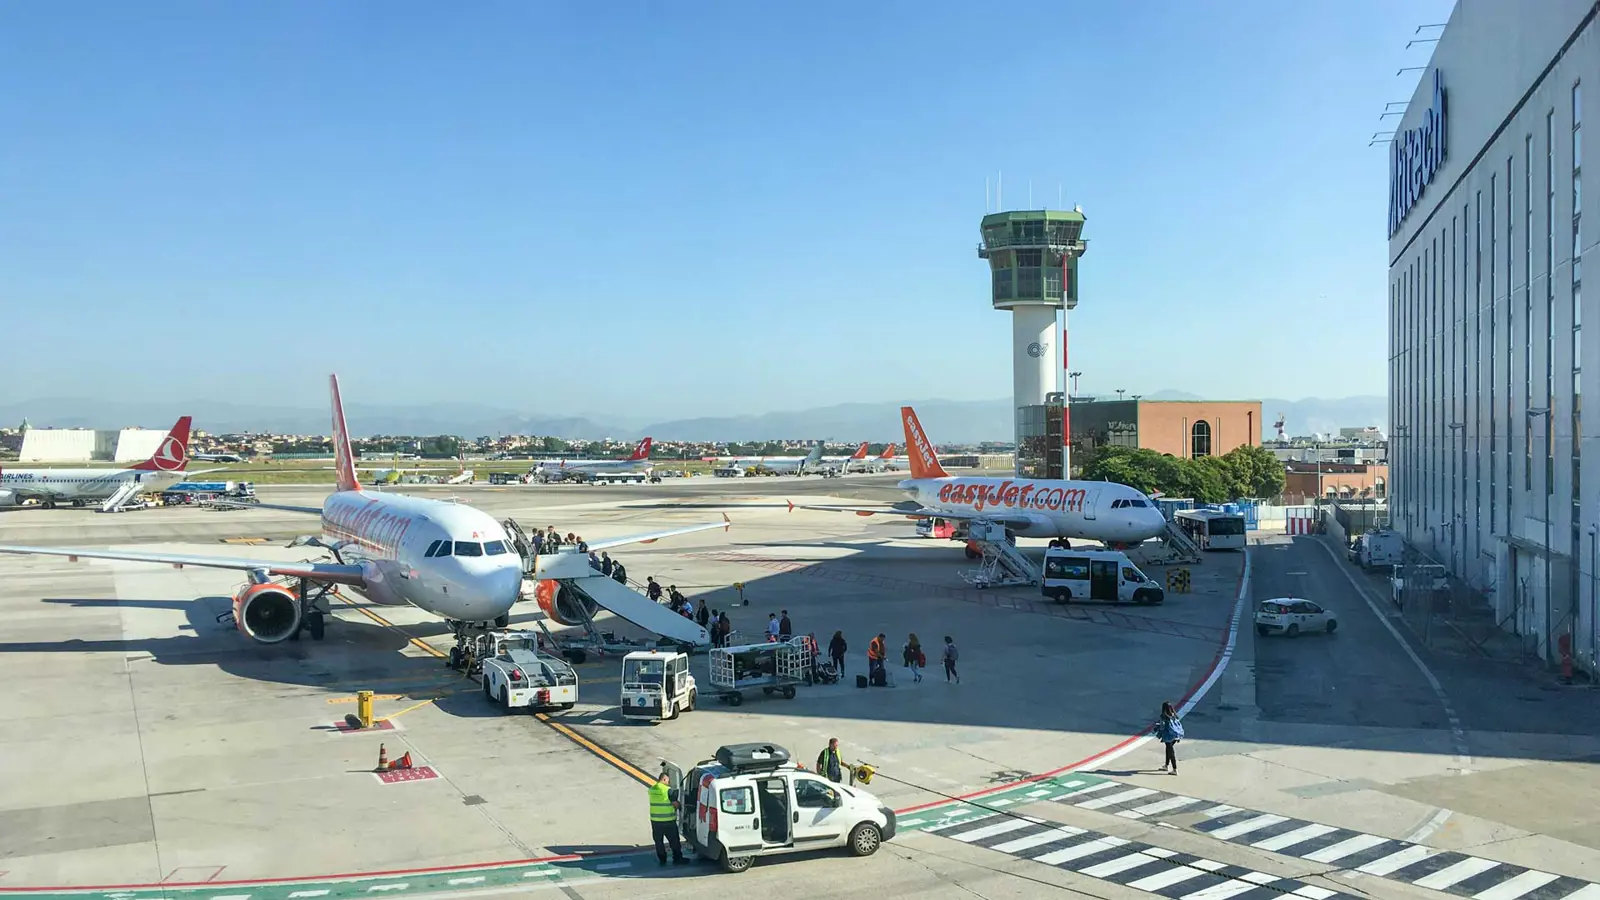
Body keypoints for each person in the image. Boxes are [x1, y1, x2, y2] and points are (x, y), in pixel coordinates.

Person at [647, 770, 687, 866]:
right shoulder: (668, 790)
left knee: (659, 842)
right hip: (668, 821)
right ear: (664, 779)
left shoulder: (652, 789)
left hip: (655, 821)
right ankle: (677, 858)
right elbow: (675, 804)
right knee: (674, 841)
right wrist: (681, 807)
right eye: (668, 781)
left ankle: (662, 859)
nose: (668, 783)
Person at [1155, 701, 1184, 774]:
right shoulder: (1174, 715)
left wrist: (1157, 727)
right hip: (1175, 735)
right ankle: (1166, 765)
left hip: (1168, 736)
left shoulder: (1163, 716)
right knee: (1168, 749)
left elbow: (1162, 727)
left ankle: (1175, 769)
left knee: (1171, 752)